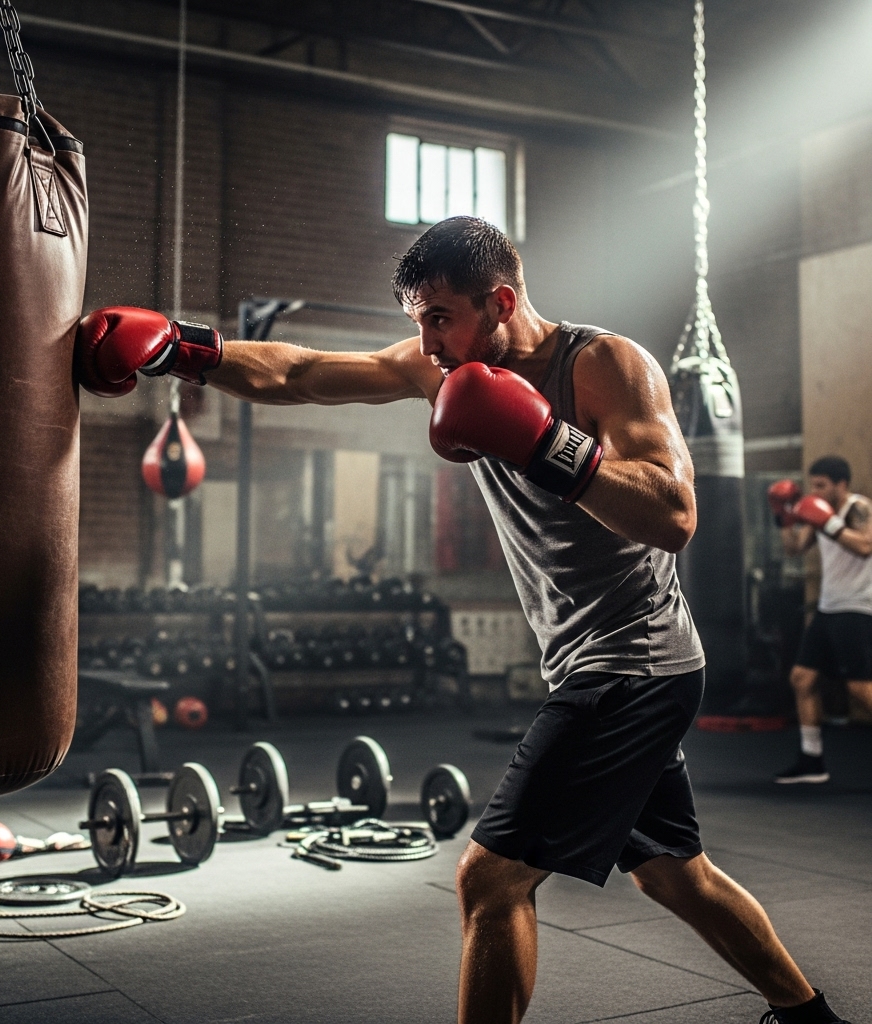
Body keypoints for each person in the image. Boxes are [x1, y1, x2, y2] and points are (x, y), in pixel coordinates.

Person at [76, 217, 850, 1024]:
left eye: (440, 318)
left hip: (631, 666)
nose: (427, 342)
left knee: (491, 878)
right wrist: (181, 349)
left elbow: (675, 514)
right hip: (604, 662)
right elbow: (302, 372)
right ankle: (807, 1017)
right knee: (672, 873)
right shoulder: (442, 362)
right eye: (418, 321)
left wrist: (545, 439)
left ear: (501, 300)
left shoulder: (607, 365)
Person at [768, 457, 872, 784]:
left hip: (857, 607)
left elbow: (866, 546)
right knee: (802, 678)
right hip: (828, 608)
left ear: (841, 484)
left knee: (859, 687)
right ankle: (812, 760)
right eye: (812, 485)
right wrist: (783, 517)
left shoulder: (859, 508)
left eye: (821, 485)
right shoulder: (817, 514)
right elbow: (794, 549)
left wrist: (829, 523)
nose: (815, 491)